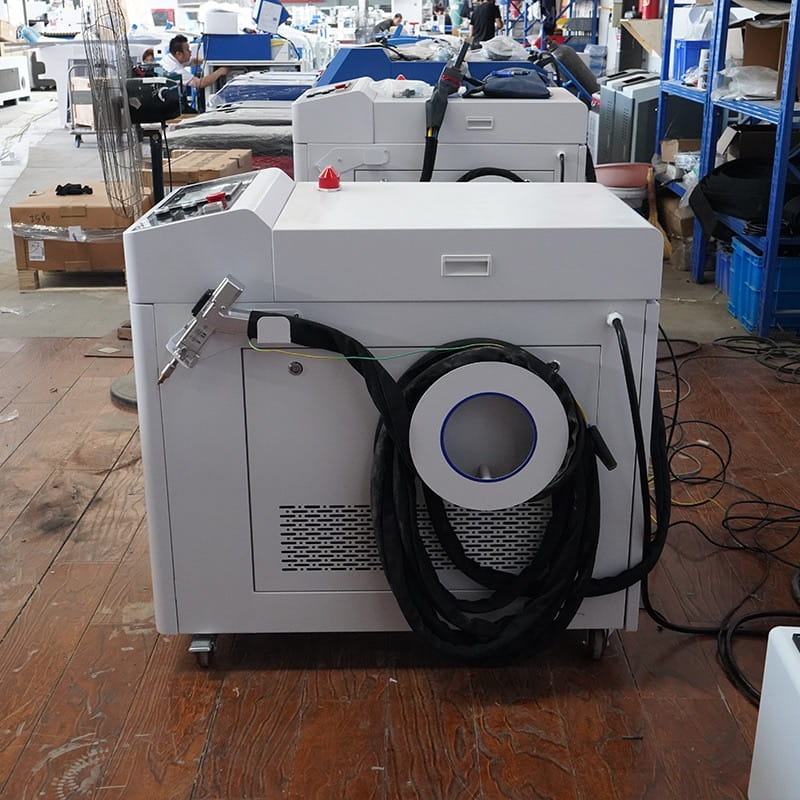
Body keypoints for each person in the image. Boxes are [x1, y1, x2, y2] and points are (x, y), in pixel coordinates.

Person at [160, 35, 229, 90]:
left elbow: (193, 61)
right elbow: (200, 83)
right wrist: (220, 71)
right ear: (179, 54)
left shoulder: (170, 57)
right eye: (187, 50)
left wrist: (208, 61)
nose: (190, 52)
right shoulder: (175, 70)